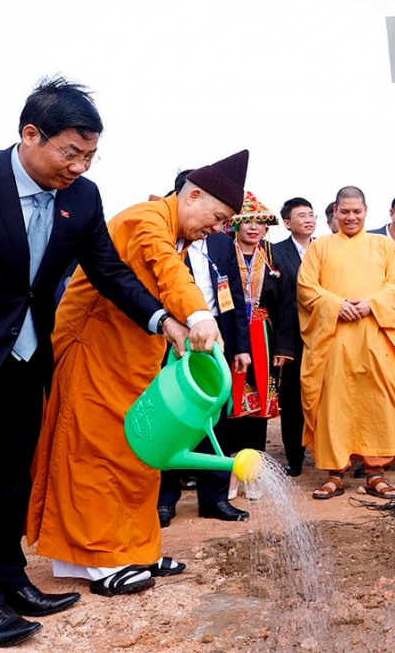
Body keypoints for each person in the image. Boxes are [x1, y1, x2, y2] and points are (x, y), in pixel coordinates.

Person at [0, 78, 186, 648]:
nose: (80, 166)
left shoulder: (82, 199)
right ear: (30, 135)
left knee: (11, 480)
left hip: (25, 362)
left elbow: (110, 273)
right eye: (71, 153)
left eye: (91, 155)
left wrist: (163, 320)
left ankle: (9, 582)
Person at [26, 150, 247, 598]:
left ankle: (136, 549)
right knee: (93, 453)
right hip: (93, 351)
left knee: (142, 452)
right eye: (218, 217)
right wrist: (201, 316)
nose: (218, 228)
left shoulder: (177, 233)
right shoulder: (146, 219)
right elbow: (168, 273)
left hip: (135, 361)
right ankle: (96, 561)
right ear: (193, 195)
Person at [298, 187, 395, 501]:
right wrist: (334, 304)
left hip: (377, 338)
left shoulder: (384, 246)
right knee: (335, 404)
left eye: (357, 211)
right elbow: (306, 288)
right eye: (345, 212)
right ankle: (334, 473)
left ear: (366, 211)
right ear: (335, 214)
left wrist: (372, 304)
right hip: (335, 341)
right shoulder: (320, 248)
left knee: (378, 404)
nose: (351, 217)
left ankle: (376, 472)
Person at [158, 172, 252, 526]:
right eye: (215, 217)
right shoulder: (163, 241)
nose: (216, 226)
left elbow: (235, 298)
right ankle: (164, 499)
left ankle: (214, 498)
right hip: (172, 340)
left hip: (216, 342)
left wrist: (240, 346)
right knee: (173, 419)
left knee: (217, 420)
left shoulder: (222, 244)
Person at [223, 192, 293, 497]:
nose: (253, 227)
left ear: (266, 228)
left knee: (257, 411)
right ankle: (227, 477)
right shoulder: (223, 252)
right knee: (228, 406)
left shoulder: (273, 256)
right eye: (247, 221)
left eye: (259, 222)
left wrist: (283, 348)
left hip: (263, 337)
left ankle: (251, 476)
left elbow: (286, 305)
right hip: (228, 334)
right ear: (234, 225)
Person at [271, 197, 315, 477]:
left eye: (311, 215)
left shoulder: (326, 248)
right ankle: (295, 458)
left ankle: (330, 455)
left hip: (325, 335)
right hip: (293, 338)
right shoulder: (276, 252)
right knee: (293, 399)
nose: (308, 220)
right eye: (301, 216)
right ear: (287, 223)